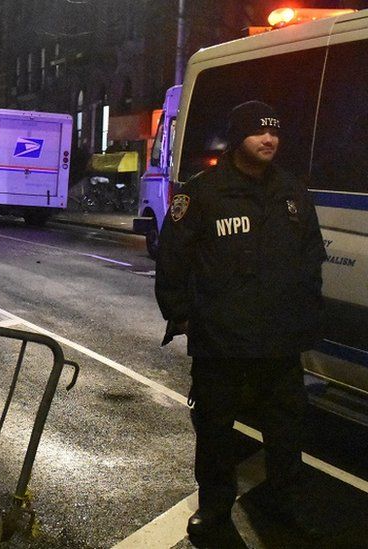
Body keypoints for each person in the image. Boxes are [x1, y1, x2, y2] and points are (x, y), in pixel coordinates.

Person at [155, 101, 326, 539]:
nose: (269, 140)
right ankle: (214, 507)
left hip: (278, 343)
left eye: (274, 132)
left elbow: (310, 258)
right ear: (238, 139)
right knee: (215, 431)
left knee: (287, 430)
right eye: (257, 132)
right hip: (221, 342)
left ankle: (283, 502)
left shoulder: (291, 192)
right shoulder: (203, 193)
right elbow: (173, 262)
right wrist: (184, 318)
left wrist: (304, 318)